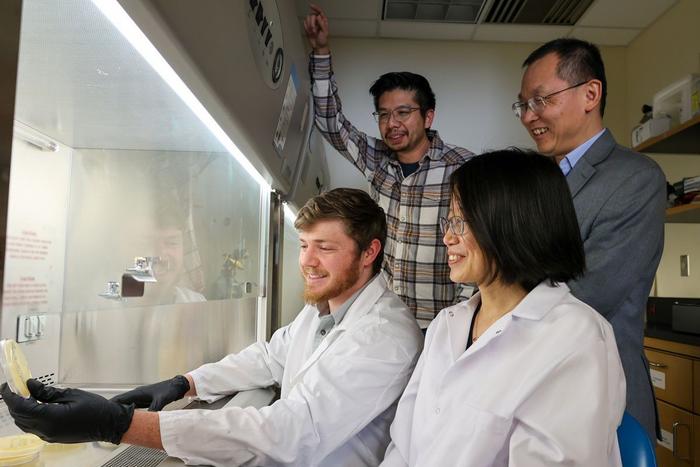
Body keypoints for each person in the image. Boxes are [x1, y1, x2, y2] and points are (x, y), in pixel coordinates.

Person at [1, 188, 423, 467]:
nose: (308, 262)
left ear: (369, 252)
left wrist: (118, 424)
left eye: (325, 248)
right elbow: (270, 357)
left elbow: (292, 432)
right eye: (303, 246)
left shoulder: (382, 336)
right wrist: (183, 383)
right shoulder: (325, 308)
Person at [381, 149, 626, 466]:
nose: (446, 237)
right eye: (449, 220)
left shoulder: (576, 337)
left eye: (460, 222)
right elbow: (403, 446)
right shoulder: (447, 325)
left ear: (509, 224)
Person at [515, 38, 666, 440]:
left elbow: (588, 294)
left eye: (540, 100)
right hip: (533, 393)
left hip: (600, 395)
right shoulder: (536, 181)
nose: (529, 116)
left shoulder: (636, 178)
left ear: (590, 94)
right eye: (522, 105)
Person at [304, 5, 474, 325]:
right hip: (384, 322)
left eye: (403, 113)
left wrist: (463, 319)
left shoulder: (462, 167)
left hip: (440, 323)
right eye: (383, 114)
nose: (392, 123)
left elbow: (481, 243)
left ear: (427, 116)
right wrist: (321, 50)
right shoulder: (377, 159)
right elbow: (330, 122)